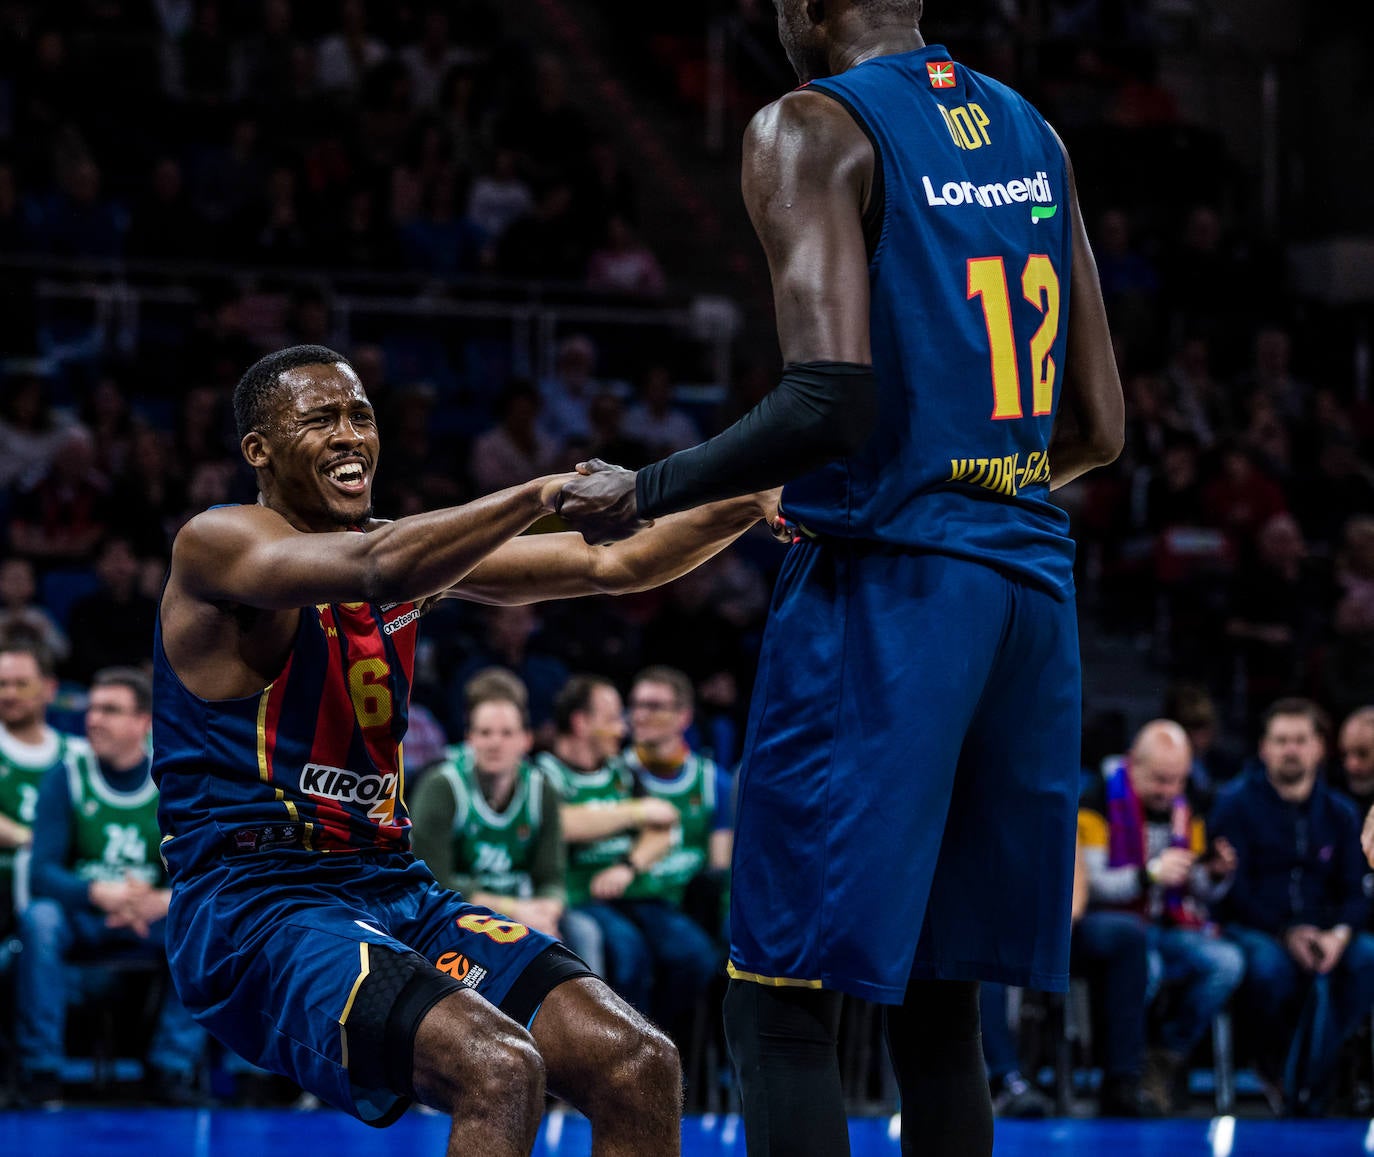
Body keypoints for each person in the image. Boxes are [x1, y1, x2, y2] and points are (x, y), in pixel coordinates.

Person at [555, 2, 1124, 1152]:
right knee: (937, 999)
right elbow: (1100, 425)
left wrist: (648, 485)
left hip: (894, 602)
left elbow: (829, 399)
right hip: (1027, 590)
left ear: (805, 5)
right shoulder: (1033, 132)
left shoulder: (811, 126)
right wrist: (958, 480)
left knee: (776, 999)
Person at [153, 343, 776, 1154]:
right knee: (499, 1065)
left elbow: (614, 561)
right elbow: (377, 566)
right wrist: (541, 488)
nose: (350, 436)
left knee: (637, 1061)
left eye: (361, 416)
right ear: (259, 450)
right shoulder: (219, 544)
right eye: (320, 420)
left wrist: (757, 489)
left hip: (392, 885)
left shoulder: (406, 551)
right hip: (256, 903)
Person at [17, 667, 205, 1107]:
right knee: (38, 920)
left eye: (110, 710)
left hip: (151, 920)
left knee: (204, 921)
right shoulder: (66, 775)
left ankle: (172, 1069)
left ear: (144, 723)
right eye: (92, 709)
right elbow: (41, 872)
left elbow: (201, 869)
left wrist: (161, 900)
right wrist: (101, 895)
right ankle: (41, 1072)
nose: (93, 720)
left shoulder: (173, 783)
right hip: (84, 917)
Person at [1211, 698, 1374, 1116]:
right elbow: (1232, 891)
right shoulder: (1234, 804)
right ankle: (1275, 1066)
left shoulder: (1340, 812)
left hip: (1326, 931)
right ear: (1263, 748)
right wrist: (1288, 934)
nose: (1291, 749)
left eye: (1300, 740)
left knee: (1365, 958)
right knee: (1270, 969)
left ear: (1319, 747)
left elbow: (1356, 892)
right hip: (1259, 929)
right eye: (1281, 740)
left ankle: (1327, 1072)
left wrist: (1336, 935)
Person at [1077, 720, 1244, 1111]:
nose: (1168, 791)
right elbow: (1092, 885)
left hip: (1171, 924)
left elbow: (1196, 889)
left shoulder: (1190, 807)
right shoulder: (1097, 801)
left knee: (1227, 963)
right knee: (1142, 968)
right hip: (1113, 926)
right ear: (1134, 764)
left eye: (1176, 781)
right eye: (1159, 780)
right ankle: (1124, 1069)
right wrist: (1149, 873)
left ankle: (1164, 1054)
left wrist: (1214, 874)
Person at [534, 673, 678, 985]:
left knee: (692, 955)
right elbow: (561, 824)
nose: (622, 729)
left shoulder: (621, 771)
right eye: (613, 719)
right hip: (577, 897)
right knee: (629, 952)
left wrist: (628, 866)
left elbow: (663, 825)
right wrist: (634, 811)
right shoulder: (542, 773)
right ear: (581, 723)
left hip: (631, 890)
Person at [409, 682, 569, 948]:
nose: (495, 743)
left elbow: (551, 876)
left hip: (529, 912)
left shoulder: (543, 791)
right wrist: (513, 911)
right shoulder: (441, 786)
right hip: (455, 916)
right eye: (485, 733)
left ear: (526, 740)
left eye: (507, 733)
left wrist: (547, 913)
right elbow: (435, 881)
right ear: (469, 739)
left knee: (583, 938)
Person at [0, 638, 83, 938]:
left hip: (60, 897)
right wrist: (30, 839)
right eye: (2, 684)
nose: (9, 694)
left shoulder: (78, 755)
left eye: (21, 684)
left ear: (49, 689)